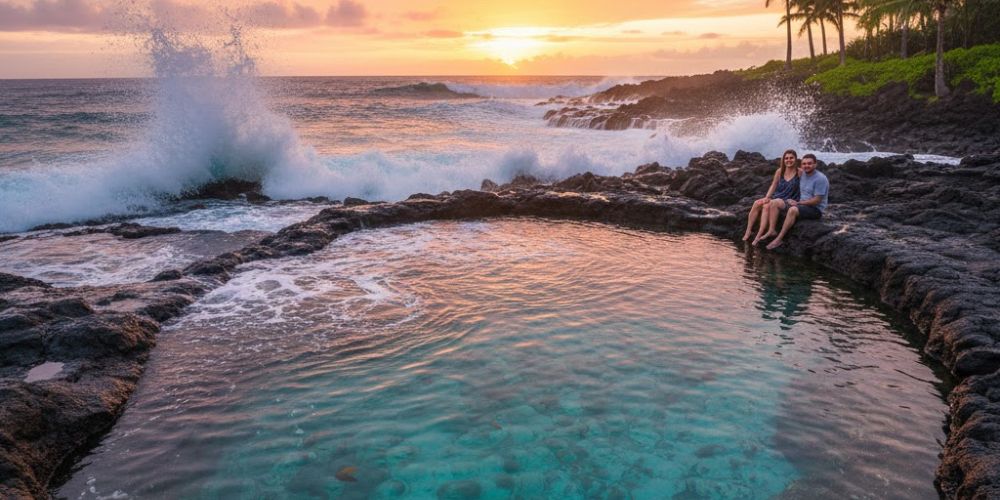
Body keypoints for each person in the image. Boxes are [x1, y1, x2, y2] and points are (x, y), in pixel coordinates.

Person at [766, 153, 829, 250]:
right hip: (801, 204)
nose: (806, 166)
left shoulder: (820, 178)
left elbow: (817, 200)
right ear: (801, 165)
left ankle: (779, 239)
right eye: (804, 164)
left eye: (809, 163)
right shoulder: (802, 174)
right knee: (775, 203)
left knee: (792, 210)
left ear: (815, 164)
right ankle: (771, 230)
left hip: (815, 209)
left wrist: (798, 203)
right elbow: (788, 175)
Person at [742, 149, 799, 244]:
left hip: (787, 200)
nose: (789, 160)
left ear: (795, 159)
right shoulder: (780, 171)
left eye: (791, 158)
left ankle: (759, 235)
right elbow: (774, 185)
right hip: (777, 197)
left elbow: (807, 185)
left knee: (766, 206)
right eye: (786, 158)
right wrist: (767, 197)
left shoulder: (799, 172)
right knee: (757, 203)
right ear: (783, 160)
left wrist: (800, 201)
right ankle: (748, 231)